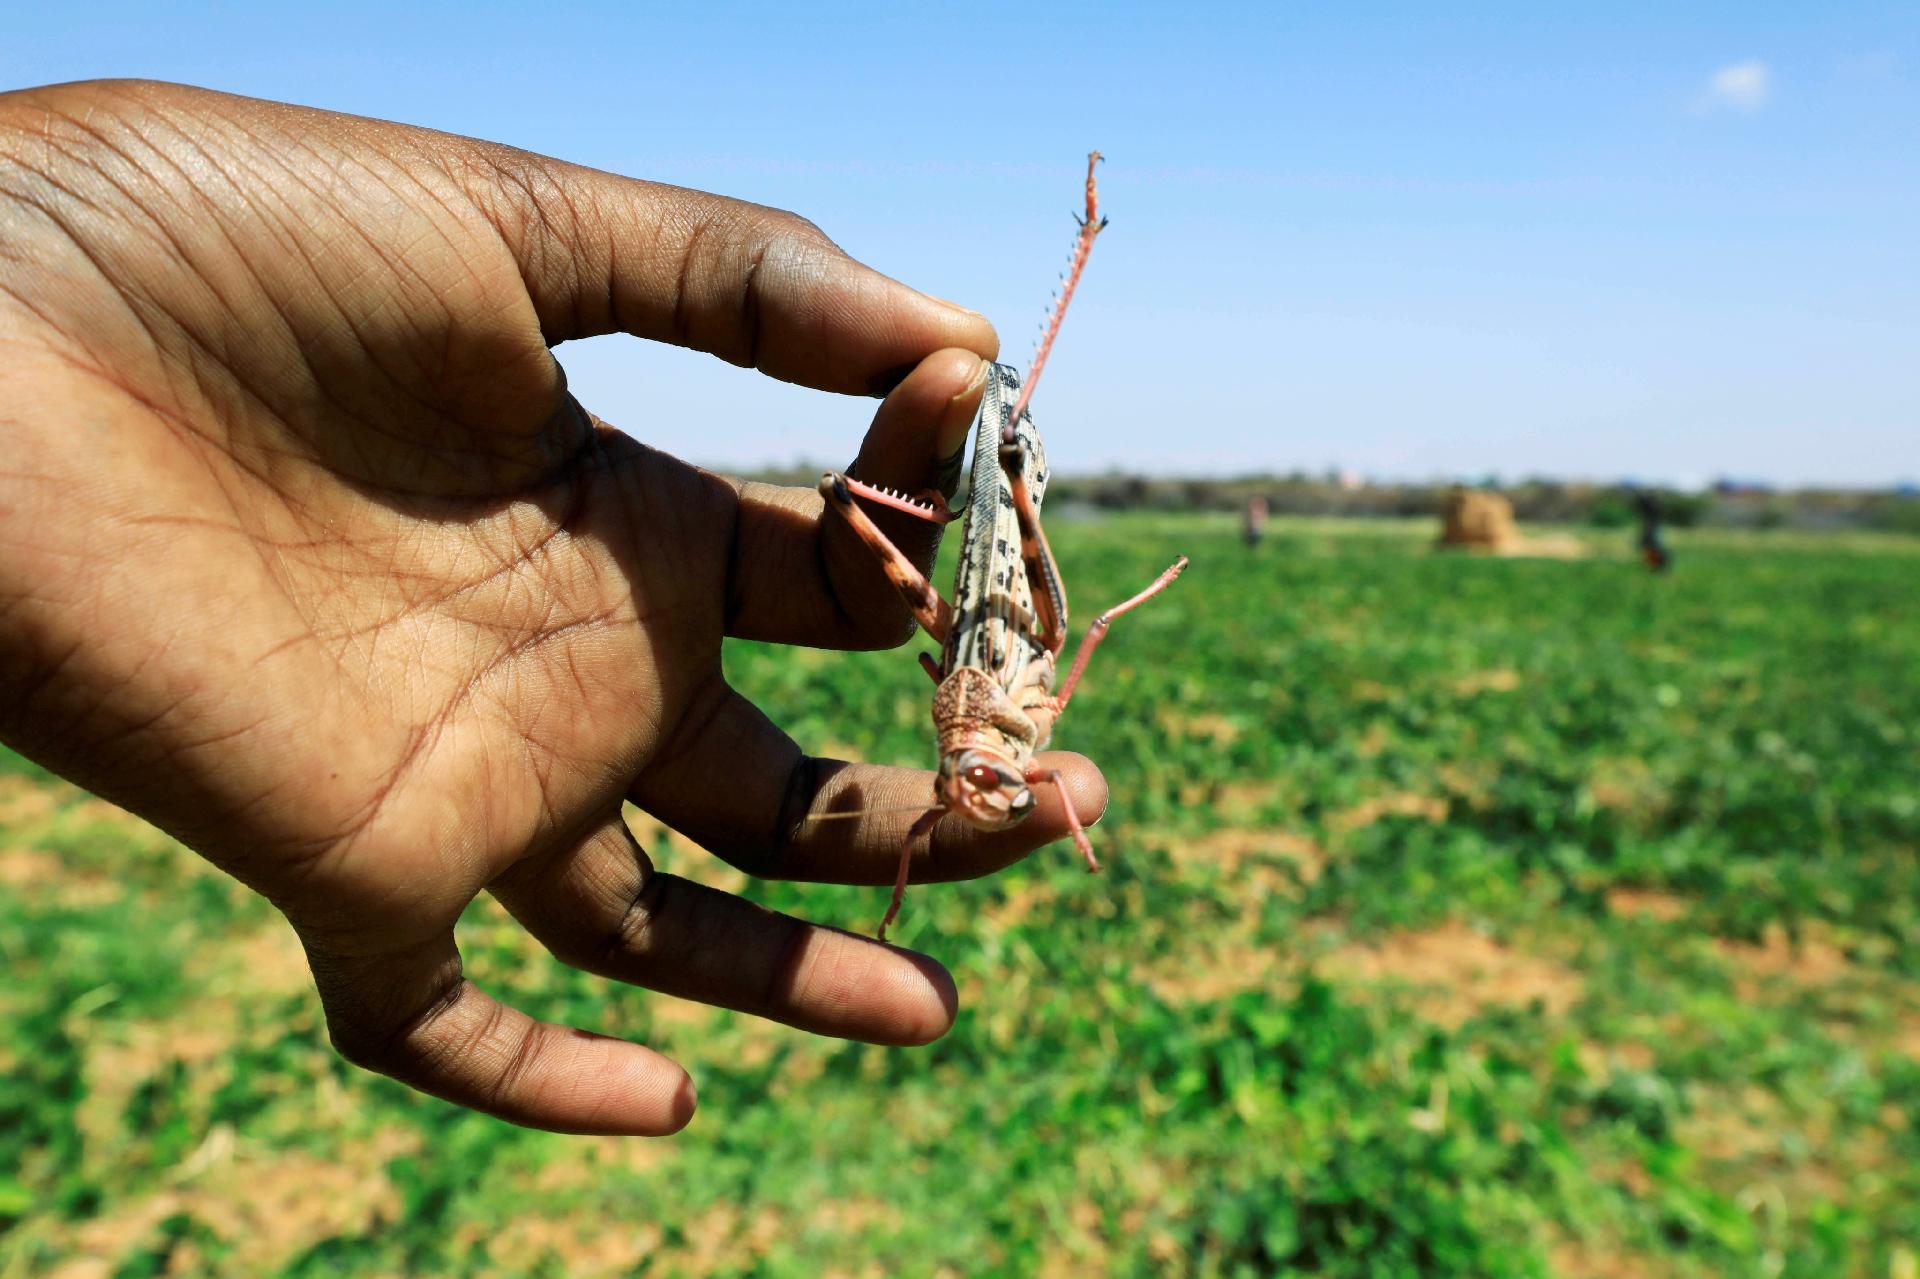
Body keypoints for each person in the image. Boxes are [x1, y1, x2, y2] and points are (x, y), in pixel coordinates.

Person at [0, 80, 1107, 1136]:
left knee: (996, 474)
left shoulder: (987, 729)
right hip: (982, 626)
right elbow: (1063, 646)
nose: (976, 788)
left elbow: (1044, 654)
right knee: (987, 484)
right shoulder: (994, 726)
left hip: (981, 629)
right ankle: (1077, 262)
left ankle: (1060, 292)